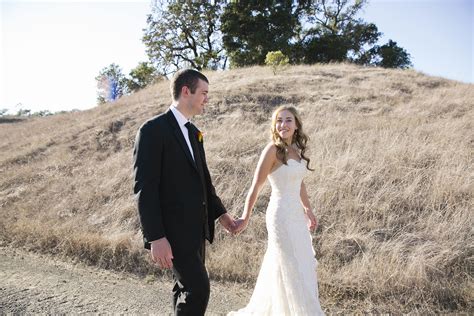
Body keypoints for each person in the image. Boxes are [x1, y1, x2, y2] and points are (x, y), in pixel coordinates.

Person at [133, 69, 237, 316]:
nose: (207, 99)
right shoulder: (152, 130)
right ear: (186, 91)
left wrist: (222, 216)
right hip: (172, 232)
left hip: (196, 230)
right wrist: (156, 237)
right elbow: (144, 189)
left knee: (184, 290)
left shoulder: (194, 133)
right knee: (198, 289)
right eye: (204, 93)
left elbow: (204, 182)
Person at [229, 105, 324, 315]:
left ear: (297, 124)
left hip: (297, 217)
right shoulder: (273, 150)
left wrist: (308, 209)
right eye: (279, 121)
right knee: (289, 264)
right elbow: (256, 185)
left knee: (302, 262)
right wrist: (245, 216)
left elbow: (299, 183)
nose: (283, 125)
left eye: (288, 120)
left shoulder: (297, 151)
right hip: (280, 215)